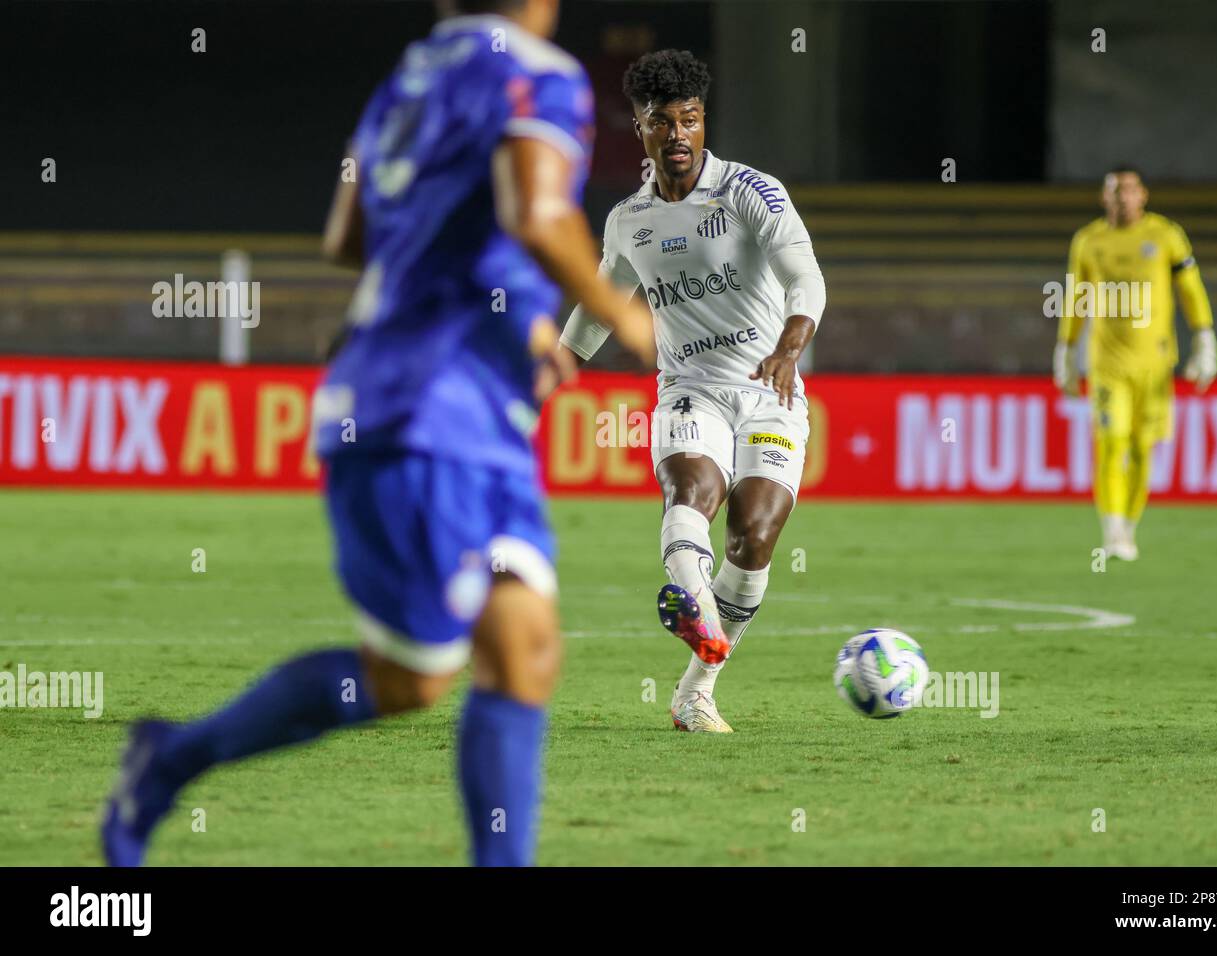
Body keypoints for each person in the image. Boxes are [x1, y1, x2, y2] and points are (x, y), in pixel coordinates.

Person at [101, 0, 654, 867]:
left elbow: (347, 236)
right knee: (411, 679)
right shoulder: (541, 74)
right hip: (427, 415)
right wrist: (623, 309)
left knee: (522, 651)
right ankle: (170, 760)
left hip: (447, 400)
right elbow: (537, 212)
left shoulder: (407, 80)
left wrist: (516, 322)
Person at [558, 49, 826, 733]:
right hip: (689, 390)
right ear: (641, 130)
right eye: (661, 122)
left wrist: (790, 347)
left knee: (755, 536)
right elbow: (600, 305)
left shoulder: (750, 193)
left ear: (703, 123)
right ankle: (695, 604)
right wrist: (560, 363)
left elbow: (806, 278)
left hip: (770, 389)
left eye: (690, 119)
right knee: (691, 494)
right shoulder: (629, 220)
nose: (677, 134)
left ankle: (695, 688)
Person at [1053, 166, 1217, 562]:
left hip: (1156, 364)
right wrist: (1066, 350)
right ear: (1103, 197)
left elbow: (1190, 289)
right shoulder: (1088, 241)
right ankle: (1111, 530)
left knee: (1144, 447)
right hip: (1107, 364)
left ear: (1142, 195)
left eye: (1129, 190)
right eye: (1115, 191)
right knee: (1112, 442)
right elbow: (1075, 298)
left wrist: (1205, 338)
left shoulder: (1166, 236)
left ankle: (1128, 527)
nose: (1123, 198)